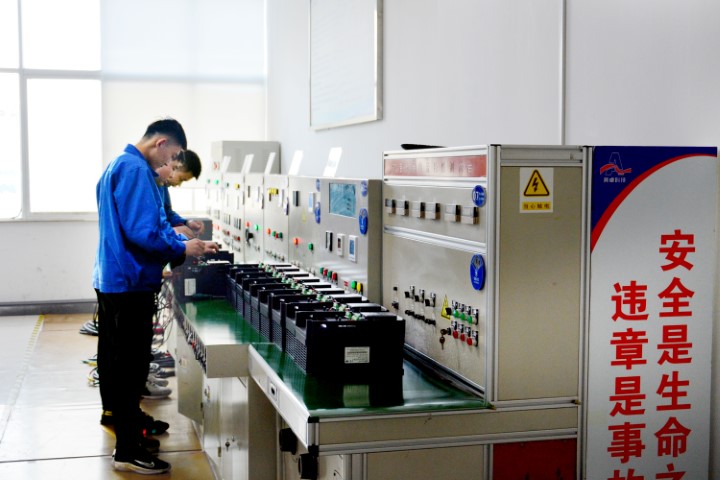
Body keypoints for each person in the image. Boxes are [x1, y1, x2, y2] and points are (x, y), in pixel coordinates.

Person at [93, 118, 219, 475]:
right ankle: (127, 450)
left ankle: (129, 429)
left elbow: (150, 223)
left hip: (116, 277)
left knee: (121, 363)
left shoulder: (120, 165)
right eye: (173, 156)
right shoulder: (135, 170)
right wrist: (183, 248)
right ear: (161, 143)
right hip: (129, 282)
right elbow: (144, 233)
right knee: (130, 368)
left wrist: (180, 238)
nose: (171, 165)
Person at [160, 149, 206, 239]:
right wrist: (173, 231)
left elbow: (168, 213)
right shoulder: (150, 182)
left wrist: (187, 222)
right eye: (181, 179)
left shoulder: (163, 187)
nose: (179, 185)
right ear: (175, 166)